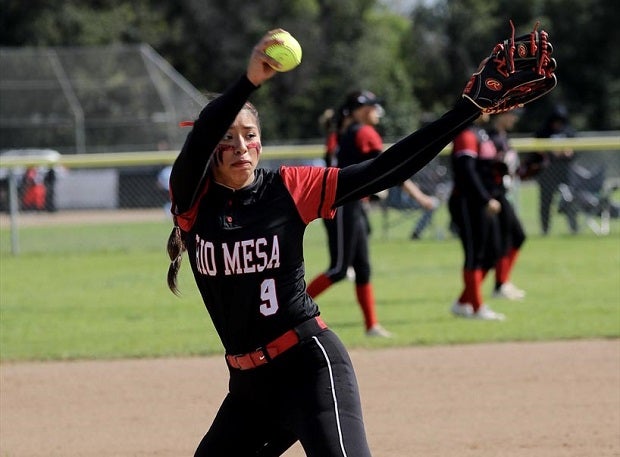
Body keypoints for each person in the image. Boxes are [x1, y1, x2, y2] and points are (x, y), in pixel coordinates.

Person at [165, 27, 555, 455]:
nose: (241, 146)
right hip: (248, 389)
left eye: (250, 135)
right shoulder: (192, 199)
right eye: (228, 137)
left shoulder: (289, 188)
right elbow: (201, 135)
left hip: (310, 367)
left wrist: (467, 109)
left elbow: (385, 169)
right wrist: (249, 82)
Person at [306, 91, 392, 338]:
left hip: (350, 204)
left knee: (362, 267)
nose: (375, 112)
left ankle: (372, 325)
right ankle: (292, 307)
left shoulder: (339, 135)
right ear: (359, 111)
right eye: (371, 108)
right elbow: (386, 166)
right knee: (340, 268)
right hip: (344, 204)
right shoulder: (362, 132)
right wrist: (418, 196)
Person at [448, 114, 507, 320]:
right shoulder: (465, 134)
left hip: (482, 202)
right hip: (467, 202)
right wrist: (485, 199)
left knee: (492, 253)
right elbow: (466, 171)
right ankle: (477, 307)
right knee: (474, 255)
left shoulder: (480, 132)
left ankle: (463, 302)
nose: (490, 110)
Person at [488, 110, 527, 300]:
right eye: (511, 113)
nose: (515, 118)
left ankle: (503, 282)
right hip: (495, 194)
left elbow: (512, 169)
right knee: (508, 238)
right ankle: (500, 285)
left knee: (515, 237)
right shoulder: (491, 138)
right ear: (501, 115)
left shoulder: (503, 137)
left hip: (503, 193)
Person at [523, 104, 577, 235]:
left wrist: (569, 153)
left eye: (560, 121)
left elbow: (576, 150)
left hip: (565, 172)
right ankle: (545, 229)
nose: (558, 124)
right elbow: (535, 152)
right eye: (555, 121)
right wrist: (550, 153)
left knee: (570, 200)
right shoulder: (543, 132)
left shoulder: (568, 131)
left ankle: (573, 228)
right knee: (546, 202)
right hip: (547, 173)